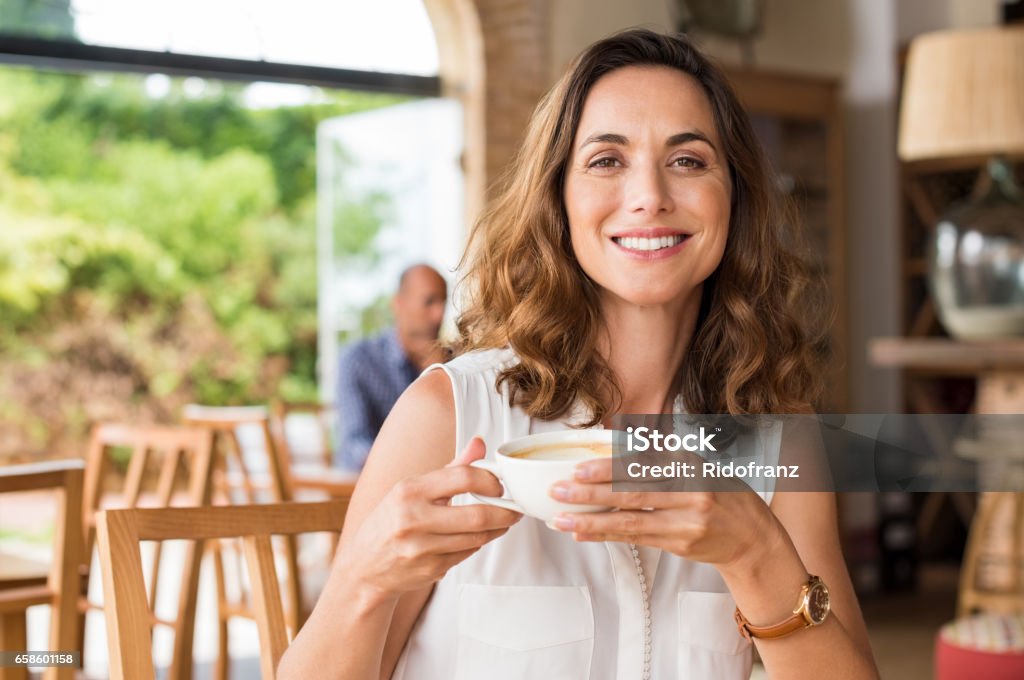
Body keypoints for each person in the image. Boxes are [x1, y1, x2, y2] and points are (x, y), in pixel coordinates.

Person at [281, 29, 879, 679]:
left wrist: (756, 554)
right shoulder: (446, 413)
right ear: (558, 199)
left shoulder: (778, 439)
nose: (649, 195)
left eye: (688, 160)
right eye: (606, 161)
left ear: (733, 198)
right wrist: (361, 585)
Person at [334, 263, 448, 471]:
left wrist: (439, 377)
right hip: (372, 489)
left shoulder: (454, 364)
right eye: (429, 302)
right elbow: (355, 444)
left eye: (443, 302)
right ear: (398, 303)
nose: (439, 314)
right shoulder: (359, 360)